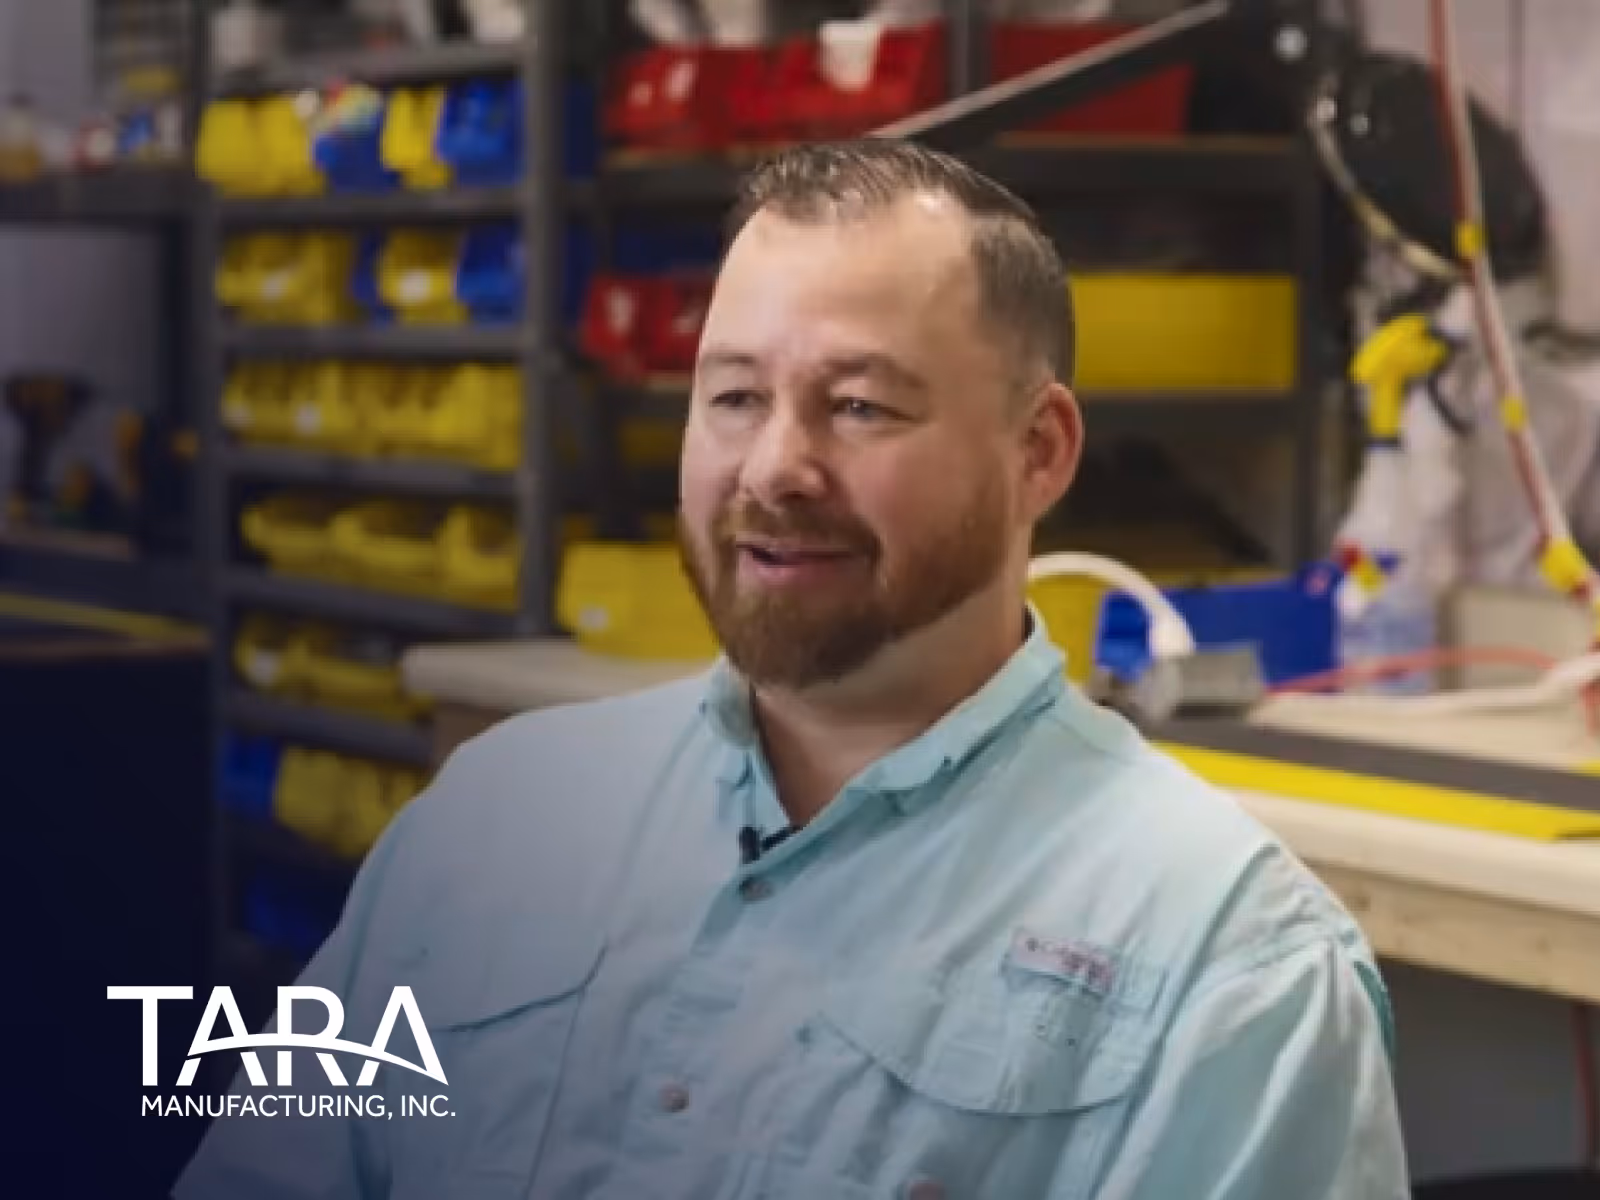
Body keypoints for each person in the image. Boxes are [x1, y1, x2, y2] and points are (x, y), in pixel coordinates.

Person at [176, 139, 1409, 1199]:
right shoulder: (490, 822)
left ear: (1038, 451)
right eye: (733, 397)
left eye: (860, 407)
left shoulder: (1226, 962)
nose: (773, 469)